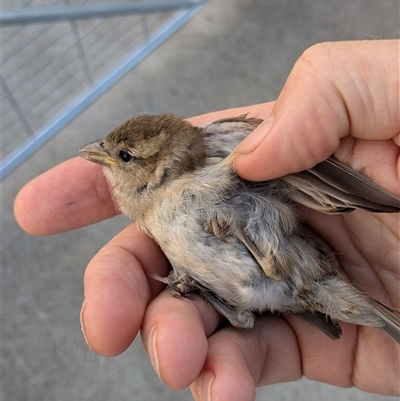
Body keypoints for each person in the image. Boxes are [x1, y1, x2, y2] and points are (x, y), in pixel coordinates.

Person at [14, 39, 399, 400]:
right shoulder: (151, 216)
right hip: (284, 296)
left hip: (297, 266)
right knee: (223, 319)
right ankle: (237, 307)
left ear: (156, 164)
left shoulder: (213, 150)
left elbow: (276, 153)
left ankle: (262, 267)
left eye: (124, 156)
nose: (102, 154)